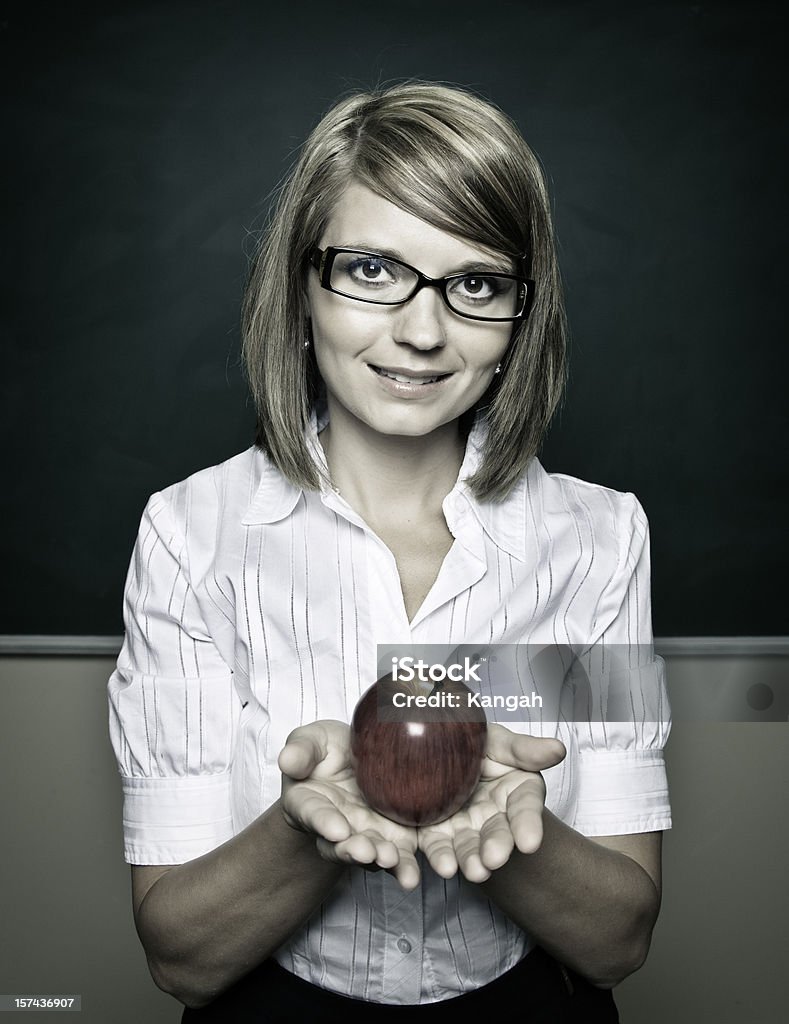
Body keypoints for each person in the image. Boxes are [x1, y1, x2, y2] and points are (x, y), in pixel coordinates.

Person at [108, 81, 671, 1022]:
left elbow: (618, 942)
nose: (421, 330)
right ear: (301, 284)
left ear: (520, 319)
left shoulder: (599, 540)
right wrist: (312, 826)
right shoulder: (189, 535)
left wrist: (488, 803)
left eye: (476, 283)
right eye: (372, 270)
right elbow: (181, 959)